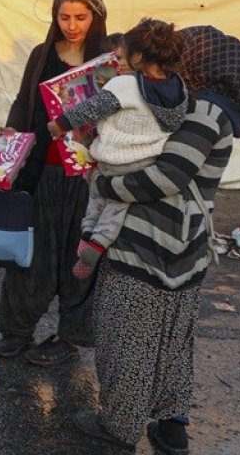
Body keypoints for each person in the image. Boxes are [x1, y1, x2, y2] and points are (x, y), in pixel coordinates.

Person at [72, 25, 240, 452]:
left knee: (127, 335)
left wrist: (103, 184)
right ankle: (172, 427)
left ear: (201, 62)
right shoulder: (203, 107)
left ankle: (119, 425)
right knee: (172, 341)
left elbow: (167, 176)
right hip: (185, 247)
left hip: (149, 241)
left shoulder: (204, 112)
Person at [0, 0, 108, 366]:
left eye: (81, 17)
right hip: (43, 172)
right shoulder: (43, 55)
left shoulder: (109, 61)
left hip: (89, 180)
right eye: (64, 17)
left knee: (80, 257)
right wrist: (13, 131)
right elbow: (25, 101)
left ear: (96, 16)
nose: (72, 25)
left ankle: (69, 337)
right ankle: (16, 331)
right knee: (32, 254)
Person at [47, 19, 186, 280]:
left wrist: (60, 124)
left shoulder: (125, 85)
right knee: (117, 207)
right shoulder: (178, 87)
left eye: (123, 56)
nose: (118, 62)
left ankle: (88, 236)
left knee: (97, 194)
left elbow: (92, 109)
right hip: (145, 164)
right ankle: (97, 243)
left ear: (138, 57)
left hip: (113, 159)